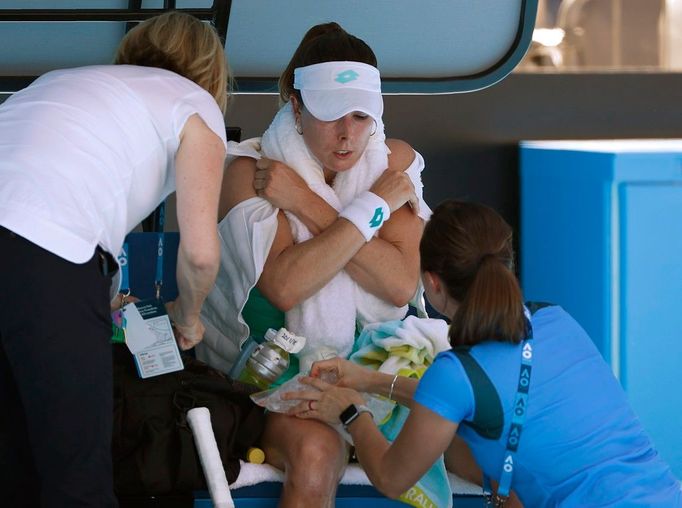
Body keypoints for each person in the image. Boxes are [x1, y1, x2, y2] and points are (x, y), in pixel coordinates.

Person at [286, 200, 682, 507]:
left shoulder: (458, 374)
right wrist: (369, 380)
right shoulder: (554, 320)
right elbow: (476, 399)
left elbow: (392, 477)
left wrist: (352, 411)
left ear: (431, 283)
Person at [0, 12, 229, 507]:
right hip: (42, 256)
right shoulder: (194, 104)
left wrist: (100, 295)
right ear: (212, 74)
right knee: (75, 478)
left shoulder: (63, 82)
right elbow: (200, 253)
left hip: (37, 253)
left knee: (13, 463)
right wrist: (187, 319)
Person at [197, 22, 430, 507]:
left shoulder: (393, 165)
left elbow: (400, 285)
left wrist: (305, 201)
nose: (347, 136)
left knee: (499, 429)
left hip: (374, 369)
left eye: (361, 116)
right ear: (296, 105)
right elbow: (287, 285)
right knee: (318, 451)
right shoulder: (248, 170)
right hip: (265, 379)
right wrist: (372, 213)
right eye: (329, 115)